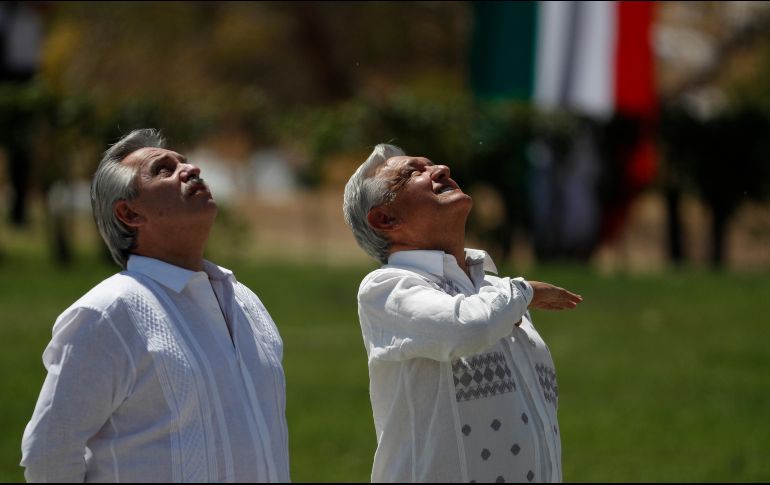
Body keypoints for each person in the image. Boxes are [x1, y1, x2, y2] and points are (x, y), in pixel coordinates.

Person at [20, 129, 290, 482]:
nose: (191, 169)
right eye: (163, 169)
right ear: (129, 213)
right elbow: (48, 454)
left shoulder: (244, 300)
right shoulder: (107, 314)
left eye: (185, 161)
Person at [342, 143, 583, 483]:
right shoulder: (387, 288)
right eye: (413, 173)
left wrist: (514, 293)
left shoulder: (494, 289)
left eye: (431, 164)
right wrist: (525, 291)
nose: (440, 169)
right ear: (385, 218)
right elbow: (466, 327)